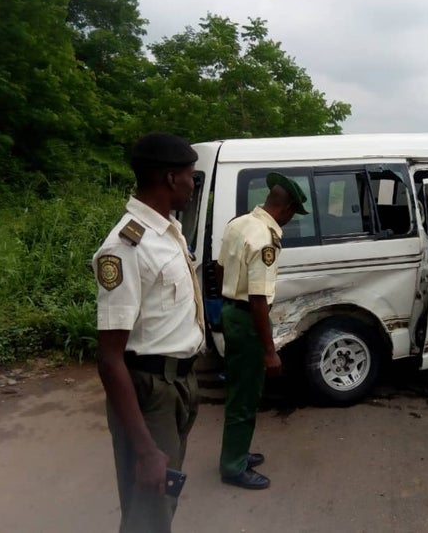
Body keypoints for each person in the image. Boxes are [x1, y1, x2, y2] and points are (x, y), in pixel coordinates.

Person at [94, 132, 205, 532]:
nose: (194, 184)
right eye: (192, 176)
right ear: (171, 178)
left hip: (178, 384)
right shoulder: (126, 246)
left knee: (162, 503)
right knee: (148, 513)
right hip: (150, 391)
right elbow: (109, 357)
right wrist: (143, 448)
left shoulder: (168, 232)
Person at [217, 172, 309, 489]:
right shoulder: (265, 239)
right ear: (287, 209)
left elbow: (219, 269)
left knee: (240, 387)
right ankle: (233, 466)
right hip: (248, 319)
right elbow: (258, 299)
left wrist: (226, 307)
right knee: (246, 394)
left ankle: (237, 452)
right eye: (294, 214)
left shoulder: (239, 223)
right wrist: (270, 351)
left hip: (233, 312)